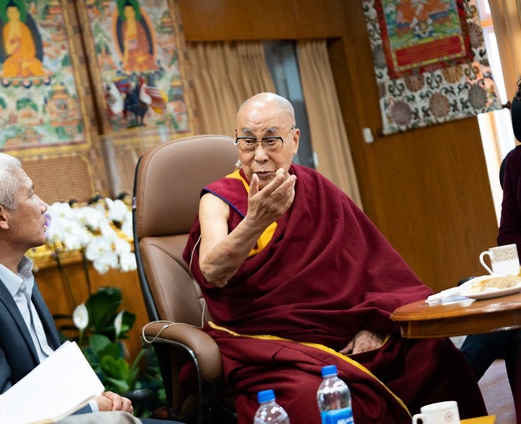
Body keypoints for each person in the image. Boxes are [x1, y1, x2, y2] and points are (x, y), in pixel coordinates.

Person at [182, 92, 488, 423]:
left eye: (271, 141)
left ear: (294, 140)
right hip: (270, 347)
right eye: (248, 142)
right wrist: (256, 222)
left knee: (434, 354)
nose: (259, 156)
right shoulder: (218, 199)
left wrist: (374, 325)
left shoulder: (317, 190)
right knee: (311, 398)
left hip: (342, 333)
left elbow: (373, 271)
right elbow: (213, 270)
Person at [0, 153, 179, 423]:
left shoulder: (18, 272)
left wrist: (100, 397)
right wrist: (92, 409)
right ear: (1, 216)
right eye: (31, 195)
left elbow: (53, 370)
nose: (43, 206)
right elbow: (2, 411)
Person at [461, 79, 521, 420]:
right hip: (520, 282)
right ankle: (448, 393)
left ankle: (447, 392)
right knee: (496, 319)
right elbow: (507, 237)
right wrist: (502, 281)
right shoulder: (514, 164)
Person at [0, 5, 49, 80]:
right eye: (11, 13)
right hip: (15, 59)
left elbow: (32, 47)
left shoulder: (24, 28)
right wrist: (15, 44)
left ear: (19, 13)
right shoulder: (7, 28)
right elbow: (8, 50)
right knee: (9, 68)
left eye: (15, 12)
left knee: (36, 65)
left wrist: (27, 59)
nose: (13, 15)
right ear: (8, 14)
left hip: (28, 58)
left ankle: (27, 68)